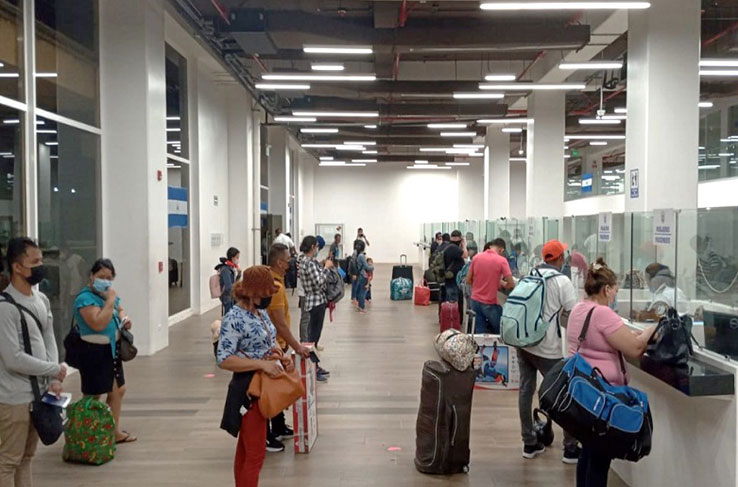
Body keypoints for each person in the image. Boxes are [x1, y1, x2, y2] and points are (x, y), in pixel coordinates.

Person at [567, 258, 655, 487]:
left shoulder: (579, 308)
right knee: (599, 458)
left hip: (584, 395)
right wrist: (651, 330)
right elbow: (635, 349)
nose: (615, 295)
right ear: (606, 289)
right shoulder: (602, 314)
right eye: (615, 290)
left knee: (588, 452)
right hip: (603, 397)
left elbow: (605, 338)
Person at [0, 237, 67, 487]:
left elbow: (49, 339)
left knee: (27, 458)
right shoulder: (5, 308)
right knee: (8, 461)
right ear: (17, 267)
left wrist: (53, 379)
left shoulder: (42, 300)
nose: (41, 266)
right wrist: (54, 369)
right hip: (13, 398)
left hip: (39, 396)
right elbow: (13, 358)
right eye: (35, 262)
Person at [217, 266, 288, 487]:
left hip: (264, 387)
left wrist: (277, 353)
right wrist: (261, 364)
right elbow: (224, 359)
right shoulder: (234, 318)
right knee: (255, 453)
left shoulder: (259, 312)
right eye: (265, 294)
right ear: (252, 293)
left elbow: (269, 339)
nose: (269, 298)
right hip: (248, 389)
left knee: (246, 450)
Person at [514, 240, 580, 463]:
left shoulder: (530, 275)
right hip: (548, 347)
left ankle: (529, 443)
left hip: (524, 342)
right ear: (560, 258)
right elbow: (573, 313)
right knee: (564, 392)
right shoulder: (562, 281)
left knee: (525, 390)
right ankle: (570, 448)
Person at [73, 258, 136, 444]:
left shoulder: (108, 295)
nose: (106, 281)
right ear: (92, 276)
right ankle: (87, 433)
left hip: (111, 350)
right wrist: (109, 301)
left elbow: (120, 309)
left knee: (118, 390)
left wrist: (124, 318)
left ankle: (111, 430)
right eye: (102, 277)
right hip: (94, 352)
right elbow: (98, 323)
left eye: (109, 278)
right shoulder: (85, 299)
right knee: (93, 394)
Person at [266, 243, 311, 452]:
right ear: (279, 262)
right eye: (287, 260)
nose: (290, 263)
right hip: (274, 346)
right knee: (270, 389)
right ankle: (267, 434)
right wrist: (296, 346)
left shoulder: (277, 281)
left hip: (278, 345)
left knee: (277, 387)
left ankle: (278, 425)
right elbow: (279, 323)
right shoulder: (275, 287)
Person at [298, 236, 332, 381]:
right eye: (317, 246)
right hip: (316, 302)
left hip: (313, 301)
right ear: (312, 247)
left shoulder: (304, 261)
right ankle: (313, 367)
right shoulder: (309, 262)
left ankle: (315, 365)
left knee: (313, 336)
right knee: (313, 338)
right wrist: (326, 268)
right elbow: (318, 282)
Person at [466, 238, 514, 334]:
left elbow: (468, 280)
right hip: (489, 303)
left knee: (480, 332)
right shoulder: (502, 261)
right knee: (500, 330)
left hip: (475, 301)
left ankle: (481, 344)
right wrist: (501, 283)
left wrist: (480, 285)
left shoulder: (477, 257)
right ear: (501, 250)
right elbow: (511, 284)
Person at [443, 230, 468, 311]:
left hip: (449, 276)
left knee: (449, 298)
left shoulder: (449, 247)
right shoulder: (454, 248)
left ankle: (449, 314)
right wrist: (464, 245)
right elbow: (465, 255)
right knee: (453, 300)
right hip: (453, 278)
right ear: (459, 239)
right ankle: (452, 315)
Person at [215, 247, 241, 314]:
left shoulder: (232, 268)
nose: (238, 259)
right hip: (227, 297)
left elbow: (235, 282)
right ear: (232, 258)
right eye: (237, 257)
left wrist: (239, 274)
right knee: (229, 315)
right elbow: (228, 286)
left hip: (232, 296)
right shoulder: (225, 269)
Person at [352, 241, 374, 313]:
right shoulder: (361, 256)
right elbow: (366, 267)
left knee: (360, 291)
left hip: (359, 275)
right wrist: (372, 267)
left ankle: (359, 307)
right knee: (363, 292)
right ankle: (362, 307)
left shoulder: (356, 254)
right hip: (363, 275)